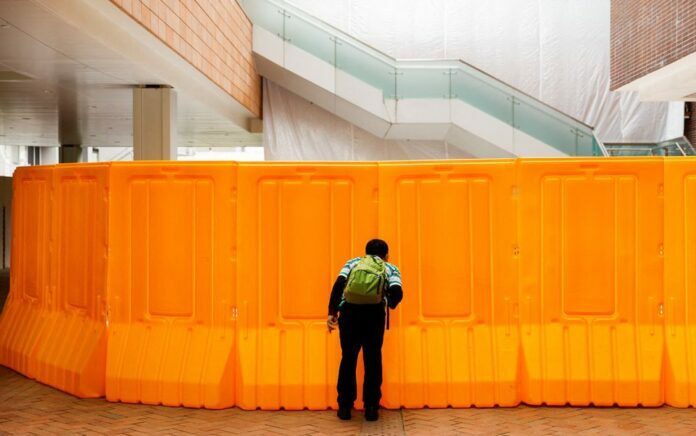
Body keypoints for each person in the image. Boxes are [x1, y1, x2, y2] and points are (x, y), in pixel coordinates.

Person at [327, 239, 403, 422]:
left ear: (366, 252)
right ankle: (371, 407)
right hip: (374, 315)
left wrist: (332, 312)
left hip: (350, 314)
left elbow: (339, 284)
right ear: (386, 255)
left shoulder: (353, 263)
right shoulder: (390, 268)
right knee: (373, 358)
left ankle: (345, 407)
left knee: (348, 358)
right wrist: (390, 302)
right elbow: (397, 291)